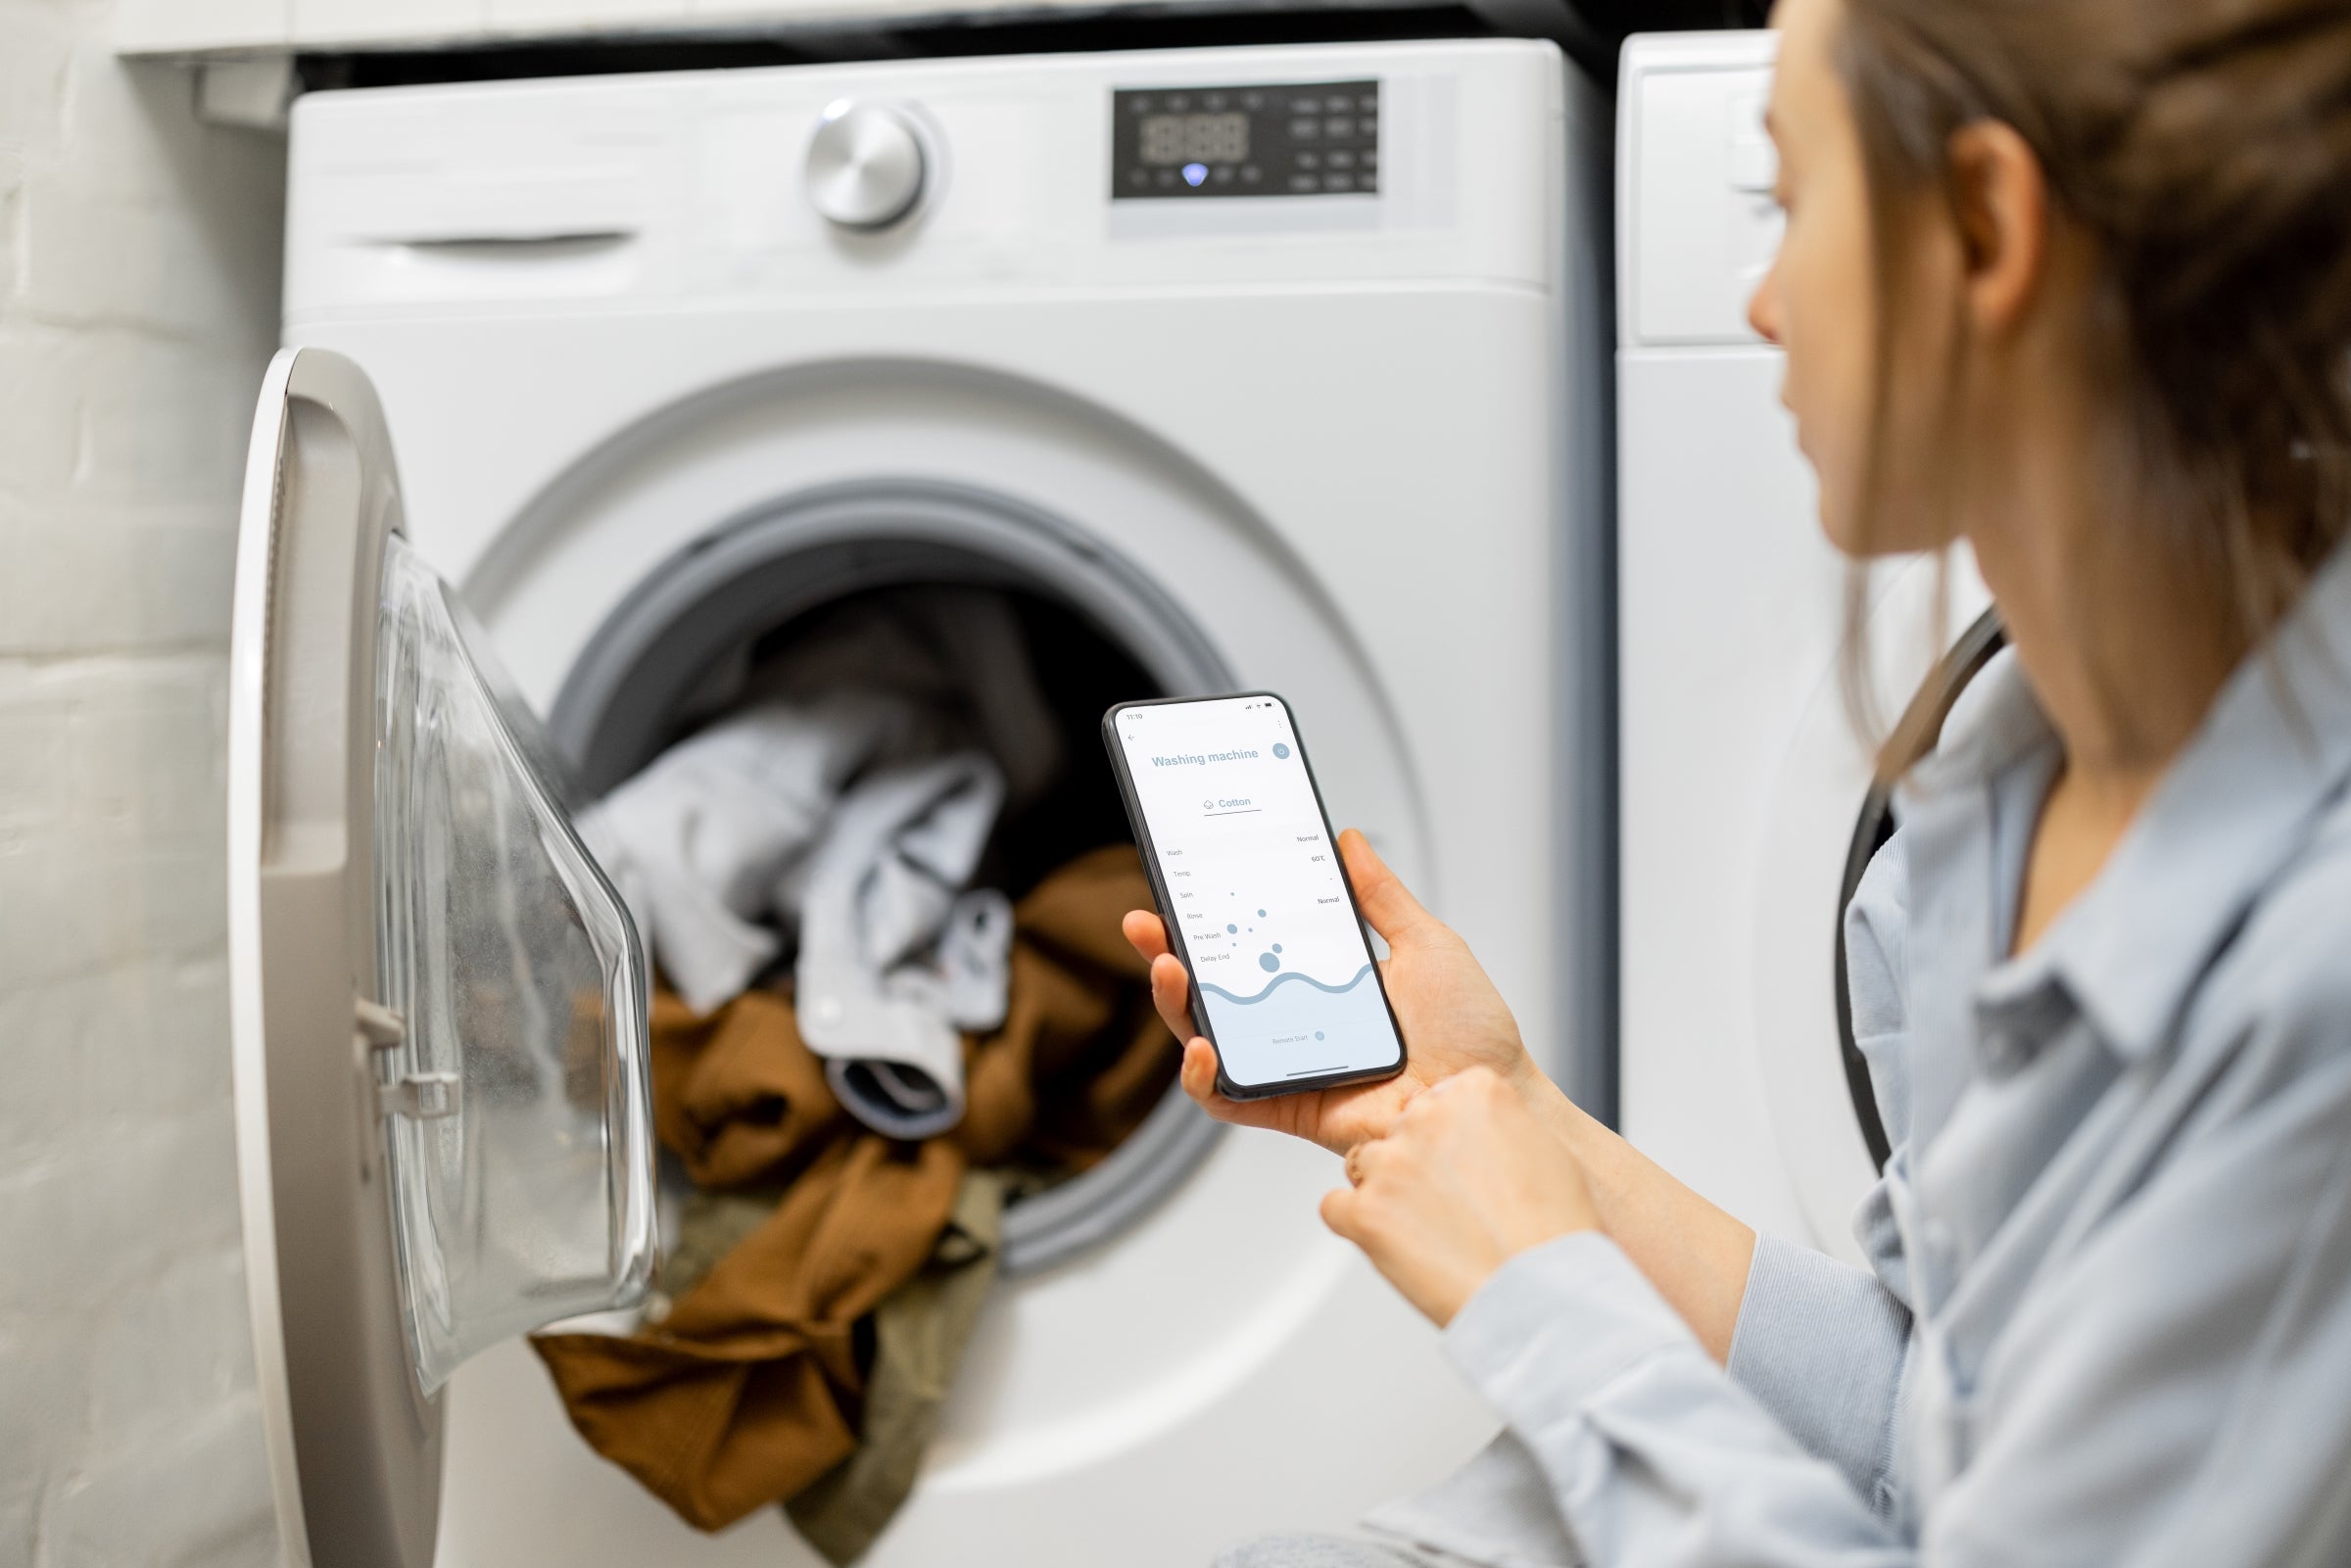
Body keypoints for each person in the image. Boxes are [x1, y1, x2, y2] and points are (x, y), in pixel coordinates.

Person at [1123, 0, 2351, 1561]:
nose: (1763, 302)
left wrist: (1539, 1290)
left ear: (1984, 227)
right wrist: (1503, 1118)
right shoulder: (1981, 818)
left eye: (1786, 203)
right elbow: (1944, 1426)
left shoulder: (2313, 970)